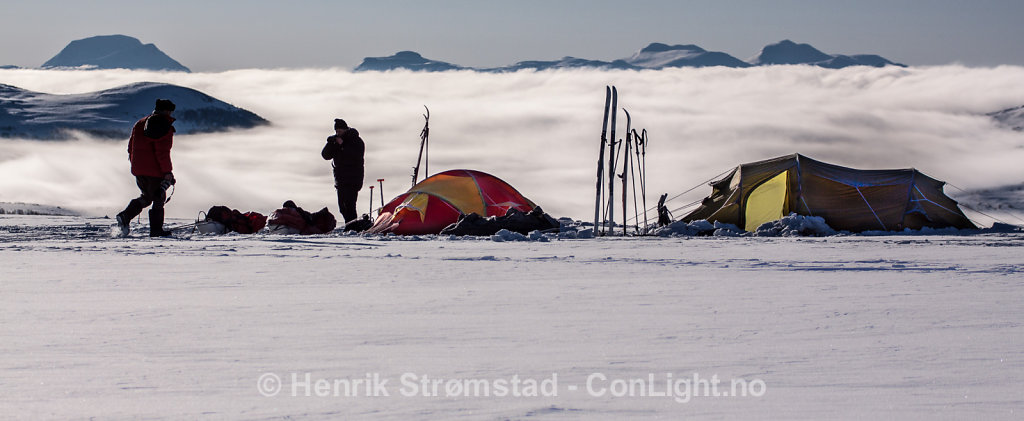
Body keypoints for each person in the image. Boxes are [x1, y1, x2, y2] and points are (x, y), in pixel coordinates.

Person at [115, 99, 177, 237]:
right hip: (154, 170)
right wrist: (167, 172)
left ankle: (126, 216)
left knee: (148, 197)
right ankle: (155, 230)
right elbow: (162, 153)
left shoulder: (140, 123)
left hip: (138, 169)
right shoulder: (164, 126)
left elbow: (130, 147)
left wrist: (134, 164)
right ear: (167, 111)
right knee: (159, 198)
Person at [321, 118, 365, 223]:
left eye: (340, 131)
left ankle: (352, 226)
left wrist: (343, 145)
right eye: (336, 131)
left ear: (346, 129)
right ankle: (350, 225)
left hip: (353, 178)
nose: (338, 133)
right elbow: (325, 155)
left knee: (350, 205)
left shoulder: (356, 141)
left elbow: (356, 156)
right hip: (340, 179)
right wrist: (330, 143)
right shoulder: (337, 141)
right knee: (342, 207)